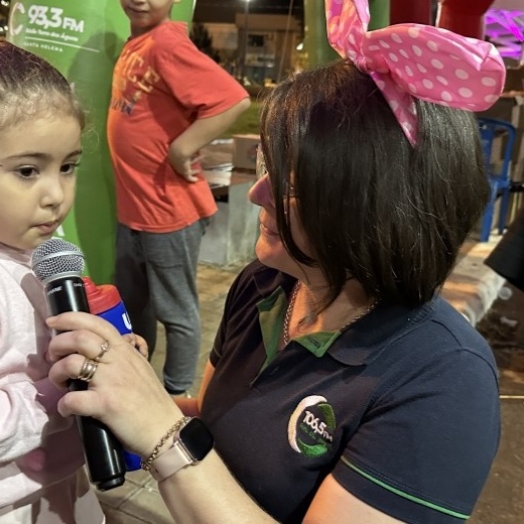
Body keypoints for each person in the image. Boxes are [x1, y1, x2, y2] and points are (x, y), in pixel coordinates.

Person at [46, 0, 506, 522]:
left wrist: (159, 429)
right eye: (267, 164)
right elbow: (221, 420)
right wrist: (126, 397)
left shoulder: (443, 377)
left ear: (374, 205)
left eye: (292, 184)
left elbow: (181, 443)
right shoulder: (268, 285)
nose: (257, 194)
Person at [108, 0, 250, 397]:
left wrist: (182, 148)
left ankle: (176, 400)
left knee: (176, 312)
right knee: (136, 309)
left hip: (169, 212)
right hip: (135, 210)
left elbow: (232, 98)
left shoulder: (166, 43)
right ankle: (137, 387)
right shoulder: (138, 41)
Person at [0, 41, 105, 523]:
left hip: (63, 485)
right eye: (28, 171)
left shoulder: (44, 254)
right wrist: (60, 394)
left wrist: (108, 355)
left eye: (68, 167)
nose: (56, 195)